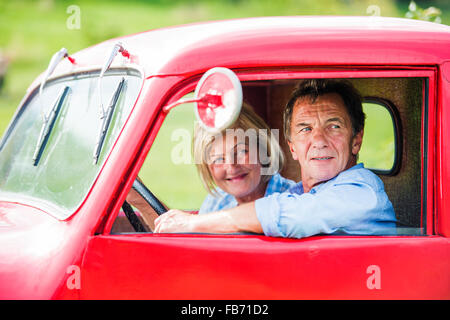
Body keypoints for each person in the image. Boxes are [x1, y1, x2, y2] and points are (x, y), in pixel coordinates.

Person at [153, 79, 397, 238]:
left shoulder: (362, 192)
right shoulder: (299, 195)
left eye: (333, 126)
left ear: (356, 140)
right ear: (292, 147)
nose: (319, 140)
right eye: (305, 129)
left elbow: (292, 215)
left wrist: (195, 224)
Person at [194, 102, 295, 214]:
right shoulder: (215, 203)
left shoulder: (293, 200)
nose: (231, 167)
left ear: (262, 149)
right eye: (218, 159)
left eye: (242, 152)